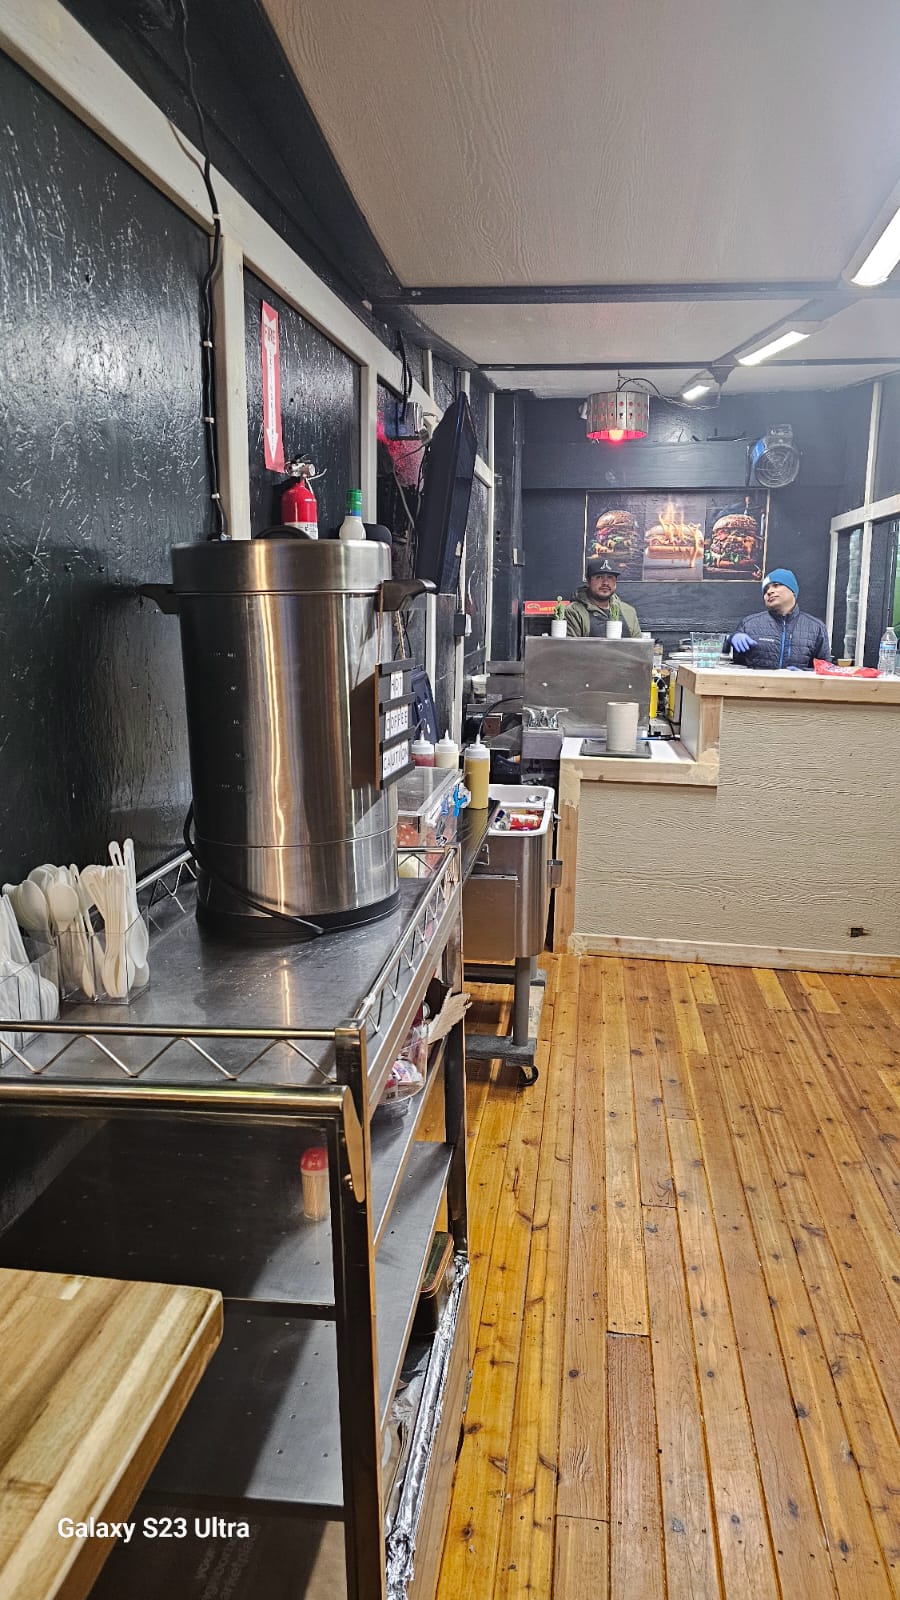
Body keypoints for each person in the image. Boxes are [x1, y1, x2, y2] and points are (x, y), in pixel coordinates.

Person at [730, 568, 831, 671]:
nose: (769, 591)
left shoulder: (816, 627)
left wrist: (805, 674)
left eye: (776, 585)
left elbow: (826, 668)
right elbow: (732, 663)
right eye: (765, 590)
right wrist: (732, 639)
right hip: (758, 686)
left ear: (792, 590)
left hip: (796, 687)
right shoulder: (749, 624)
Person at [566, 557, 641, 638]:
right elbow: (571, 648)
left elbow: (639, 647)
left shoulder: (628, 611)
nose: (605, 582)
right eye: (599, 577)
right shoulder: (574, 612)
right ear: (588, 581)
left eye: (610, 577)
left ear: (615, 582)